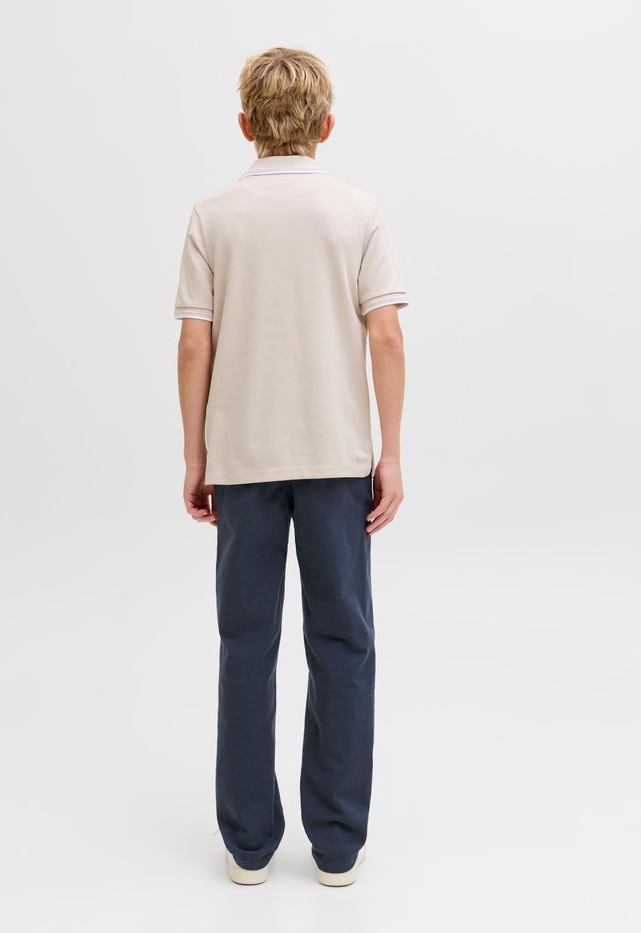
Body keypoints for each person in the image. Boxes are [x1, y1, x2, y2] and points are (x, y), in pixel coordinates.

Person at [174, 47, 409, 886]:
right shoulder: (357, 211)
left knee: (247, 643)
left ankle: (247, 845)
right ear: (327, 125)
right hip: (337, 458)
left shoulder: (213, 215)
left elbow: (194, 342)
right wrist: (391, 452)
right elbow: (386, 335)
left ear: (245, 125)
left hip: (243, 461)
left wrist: (197, 453)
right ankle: (337, 845)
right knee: (342, 640)